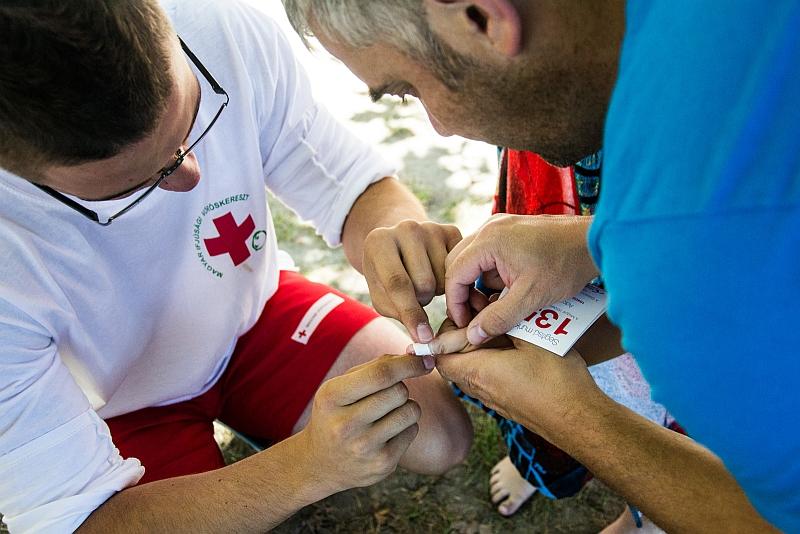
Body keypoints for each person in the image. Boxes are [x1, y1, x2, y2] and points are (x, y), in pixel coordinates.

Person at [282, 0, 799, 531]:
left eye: (410, 89)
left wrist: (575, 420)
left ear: (480, 16)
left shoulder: (682, 237)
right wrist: (586, 244)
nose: (438, 127)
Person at [0, 1, 473, 532]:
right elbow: (81, 522)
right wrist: (308, 468)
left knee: (440, 435)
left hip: (254, 317)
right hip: (113, 410)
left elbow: (354, 184)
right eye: (135, 186)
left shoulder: (216, 26)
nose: (192, 177)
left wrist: (393, 237)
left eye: (191, 124)